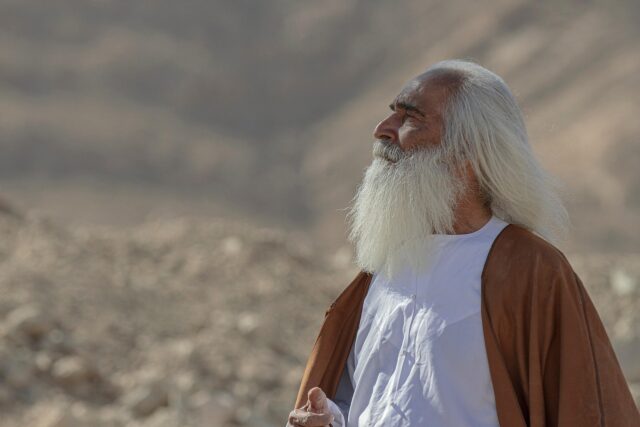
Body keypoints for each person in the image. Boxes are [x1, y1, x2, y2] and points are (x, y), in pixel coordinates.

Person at [286, 59, 639, 426]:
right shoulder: (382, 270)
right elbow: (363, 404)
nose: (382, 130)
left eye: (410, 117)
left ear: (467, 148)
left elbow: (586, 410)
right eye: (392, 114)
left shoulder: (530, 272)